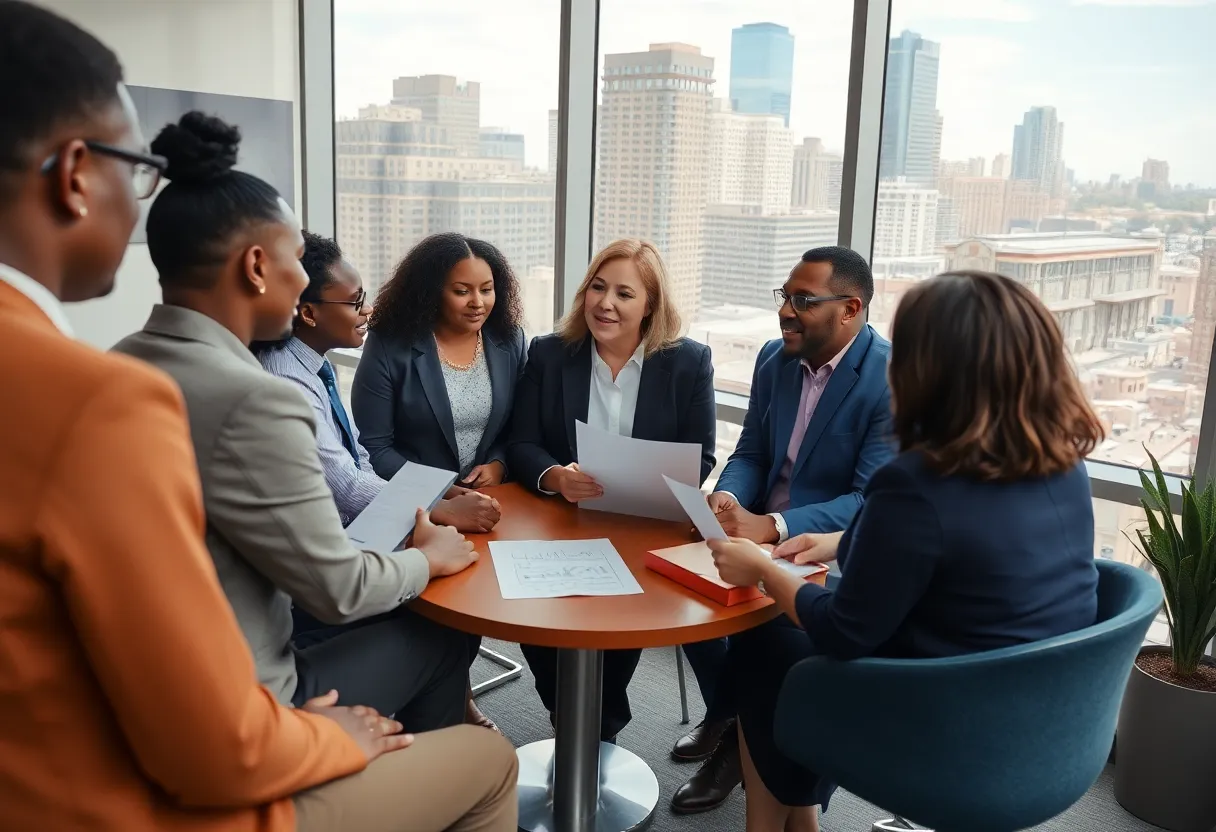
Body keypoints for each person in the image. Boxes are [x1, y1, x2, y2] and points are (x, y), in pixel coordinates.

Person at [0, 3, 516, 831]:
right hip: (218, 749)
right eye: (130, 173)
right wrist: (329, 739)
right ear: (71, 174)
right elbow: (216, 736)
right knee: (492, 764)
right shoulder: (118, 400)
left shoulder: (121, 361)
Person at [113, 111, 479, 735]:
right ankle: (395, 781)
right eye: (297, 262)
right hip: (243, 699)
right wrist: (429, 558)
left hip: (145, 680)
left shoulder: (119, 364)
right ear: (257, 267)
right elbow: (336, 590)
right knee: (445, 637)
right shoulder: (259, 398)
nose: (305, 280)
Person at [708, 270, 1103, 832]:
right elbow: (975, 547)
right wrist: (847, 541)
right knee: (778, 647)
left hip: (946, 727)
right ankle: (802, 823)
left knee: (765, 645)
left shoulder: (916, 483)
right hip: (1049, 722)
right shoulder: (1059, 460)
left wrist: (763, 572)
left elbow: (845, 632)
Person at [672, 245, 895, 814]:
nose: (786, 311)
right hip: (753, 531)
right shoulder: (775, 359)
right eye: (784, 297)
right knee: (678, 594)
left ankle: (738, 740)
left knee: (758, 637)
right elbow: (751, 451)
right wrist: (729, 498)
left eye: (804, 300)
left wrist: (771, 525)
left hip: (824, 552)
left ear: (850, 309)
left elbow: (869, 502)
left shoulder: (890, 379)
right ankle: (735, 720)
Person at [253, 231, 501, 730]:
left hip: (358, 530)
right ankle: (437, 744)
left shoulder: (312, 368)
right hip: (316, 579)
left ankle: (438, 725)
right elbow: (345, 484)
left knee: (451, 583)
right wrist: (432, 509)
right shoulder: (285, 384)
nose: (366, 310)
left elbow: (357, 457)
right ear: (309, 313)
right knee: (442, 610)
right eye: (356, 300)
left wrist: (436, 496)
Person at [508, 238, 716, 741]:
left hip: (644, 527)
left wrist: (656, 487)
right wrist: (556, 476)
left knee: (621, 626)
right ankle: (578, 720)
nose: (606, 303)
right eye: (598, 288)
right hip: (561, 521)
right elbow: (521, 442)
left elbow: (702, 455)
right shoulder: (552, 353)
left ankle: (596, 728)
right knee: (541, 623)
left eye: (625, 293)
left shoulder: (688, 363)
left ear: (650, 305)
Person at [351, 231, 527, 499]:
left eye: (486, 290)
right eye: (461, 291)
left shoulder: (510, 340)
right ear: (431, 292)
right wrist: (442, 493)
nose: (477, 303)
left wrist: (499, 465)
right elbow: (374, 448)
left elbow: (522, 426)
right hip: (416, 504)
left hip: (496, 499)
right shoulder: (389, 345)